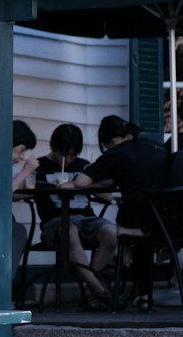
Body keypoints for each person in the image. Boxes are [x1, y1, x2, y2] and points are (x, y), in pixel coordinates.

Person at [71, 114, 169, 310]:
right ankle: (144, 297)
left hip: (136, 219)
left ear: (112, 141)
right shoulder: (157, 148)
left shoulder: (117, 153)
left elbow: (81, 182)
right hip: (166, 219)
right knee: (141, 235)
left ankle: (100, 287)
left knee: (121, 230)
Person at [34, 123, 117, 306]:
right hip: (54, 222)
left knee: (112, 233)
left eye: (73, 154)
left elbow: (107, 196)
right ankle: (99, 289)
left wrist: (82, 184)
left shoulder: (83, 166)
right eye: (65, 154)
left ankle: (91, 289)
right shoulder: (40, 167)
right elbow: (26, 191)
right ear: (54, 147)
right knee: (69, 230)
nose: (69, 159)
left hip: (86, 218)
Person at [11, 120, 39, 274]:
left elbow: (14, 192)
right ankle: (6, 282)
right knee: (18, 231)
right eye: (21, 150)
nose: (22, 157)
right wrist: (26, 171)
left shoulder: (10, 166)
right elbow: (5, 192)